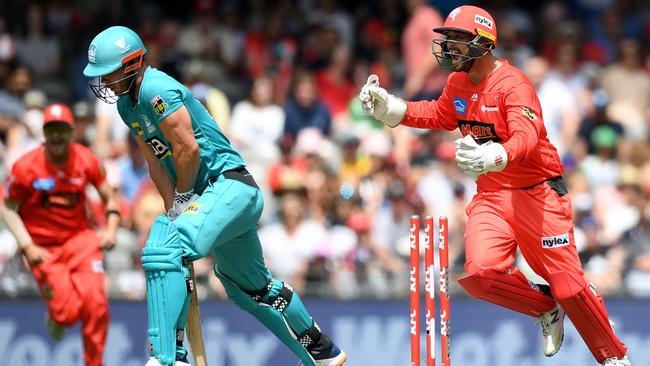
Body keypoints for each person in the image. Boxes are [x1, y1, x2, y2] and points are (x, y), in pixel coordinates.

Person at [359, 5, 630, 366]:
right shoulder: (457, 82)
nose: (448, 48)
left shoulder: (513, 84)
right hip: (491, 195)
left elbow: (527, 136)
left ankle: (612, 357)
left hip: (538, 192)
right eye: (448, 40)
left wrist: (496, 156)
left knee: (569, 284)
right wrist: (390, 107)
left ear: (483, 43)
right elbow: (440, 114)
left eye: (457, 40)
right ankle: (546, 308)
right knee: (482, 274)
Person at [83, 26, 347, 366]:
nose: (103, 82)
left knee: (165, 248)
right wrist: (172, 210)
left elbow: (188, 150)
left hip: (228, 186)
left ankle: (167, 357)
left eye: (109, 74)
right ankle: (321, 349)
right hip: (212, 197)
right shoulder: (126, 106)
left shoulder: (156, 89)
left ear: (133, 64)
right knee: (250, 289)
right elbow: (156, 162)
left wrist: (181, 201)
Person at [2, 103, 119, 366]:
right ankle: (55, 316)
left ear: (71, 131)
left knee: (95, 303)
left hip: (80, 240)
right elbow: (6, 207)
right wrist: (27, 246)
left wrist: (111, 229)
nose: (56, 136)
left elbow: (109, 197)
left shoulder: (86, 160)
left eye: (62, 129)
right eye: (51, 129)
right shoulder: (25, 167)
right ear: (44, 133)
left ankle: (94, 363)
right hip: (44, 248)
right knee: (66, 315)